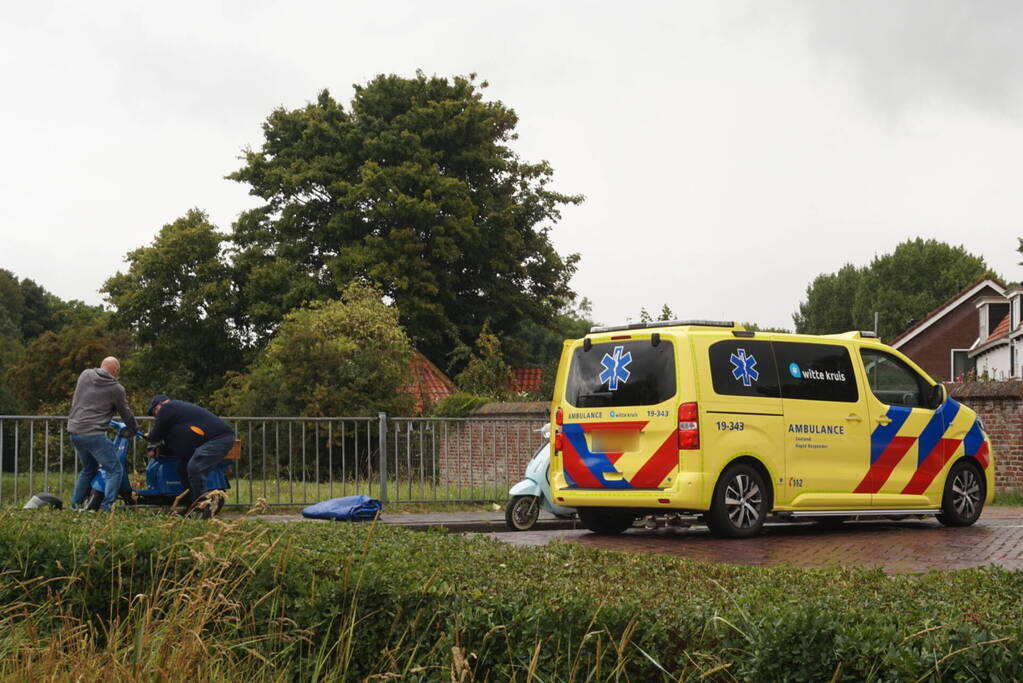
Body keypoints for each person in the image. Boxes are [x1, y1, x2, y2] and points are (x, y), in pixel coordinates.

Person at [68, 356, 138, 511]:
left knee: (88, 468)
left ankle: (74, 505)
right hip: (94, 434)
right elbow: (125, 413)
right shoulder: (116, 388)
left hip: (75, 431)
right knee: (115, 469)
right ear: (116, 371)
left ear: (101, 365)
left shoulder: (85, 374)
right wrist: (134, 429)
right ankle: (106, 508)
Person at [145, 394, 235, 513]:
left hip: (219, 438)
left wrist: (148, 437)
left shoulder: (168, 407)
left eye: (154, 412)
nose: (156, 416)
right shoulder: (179, 419)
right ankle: (190, 505)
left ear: (160, 404)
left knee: (195, 466)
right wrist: (160, 450)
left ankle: (201, 507)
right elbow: (178, 445)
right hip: (210, 440)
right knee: (182, 467)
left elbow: (155, 435)